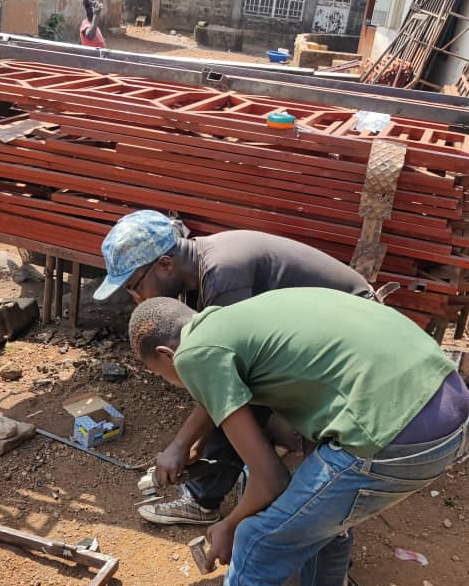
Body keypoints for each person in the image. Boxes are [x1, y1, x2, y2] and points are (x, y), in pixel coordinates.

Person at [128, 290, 469, 586]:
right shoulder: (234, 322)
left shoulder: (198, 354)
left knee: (258, 541)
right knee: (320, 516)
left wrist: (230, 524)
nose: (173, 383)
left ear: (167, 353)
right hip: (450, 408)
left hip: (396, 435)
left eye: (164, 376)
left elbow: (271, 478)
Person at [94, 210, 376, 527]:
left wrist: (180, 445)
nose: (137, 299)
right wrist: (195, 443)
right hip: (333, 330)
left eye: (134, 286)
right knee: (236, 399)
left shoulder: (222, 276)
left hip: (356, 334)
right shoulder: (199, 268)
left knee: (237, 394)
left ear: (164, 264)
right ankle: (241, 476)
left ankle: (209, 499)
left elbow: (225, 378)